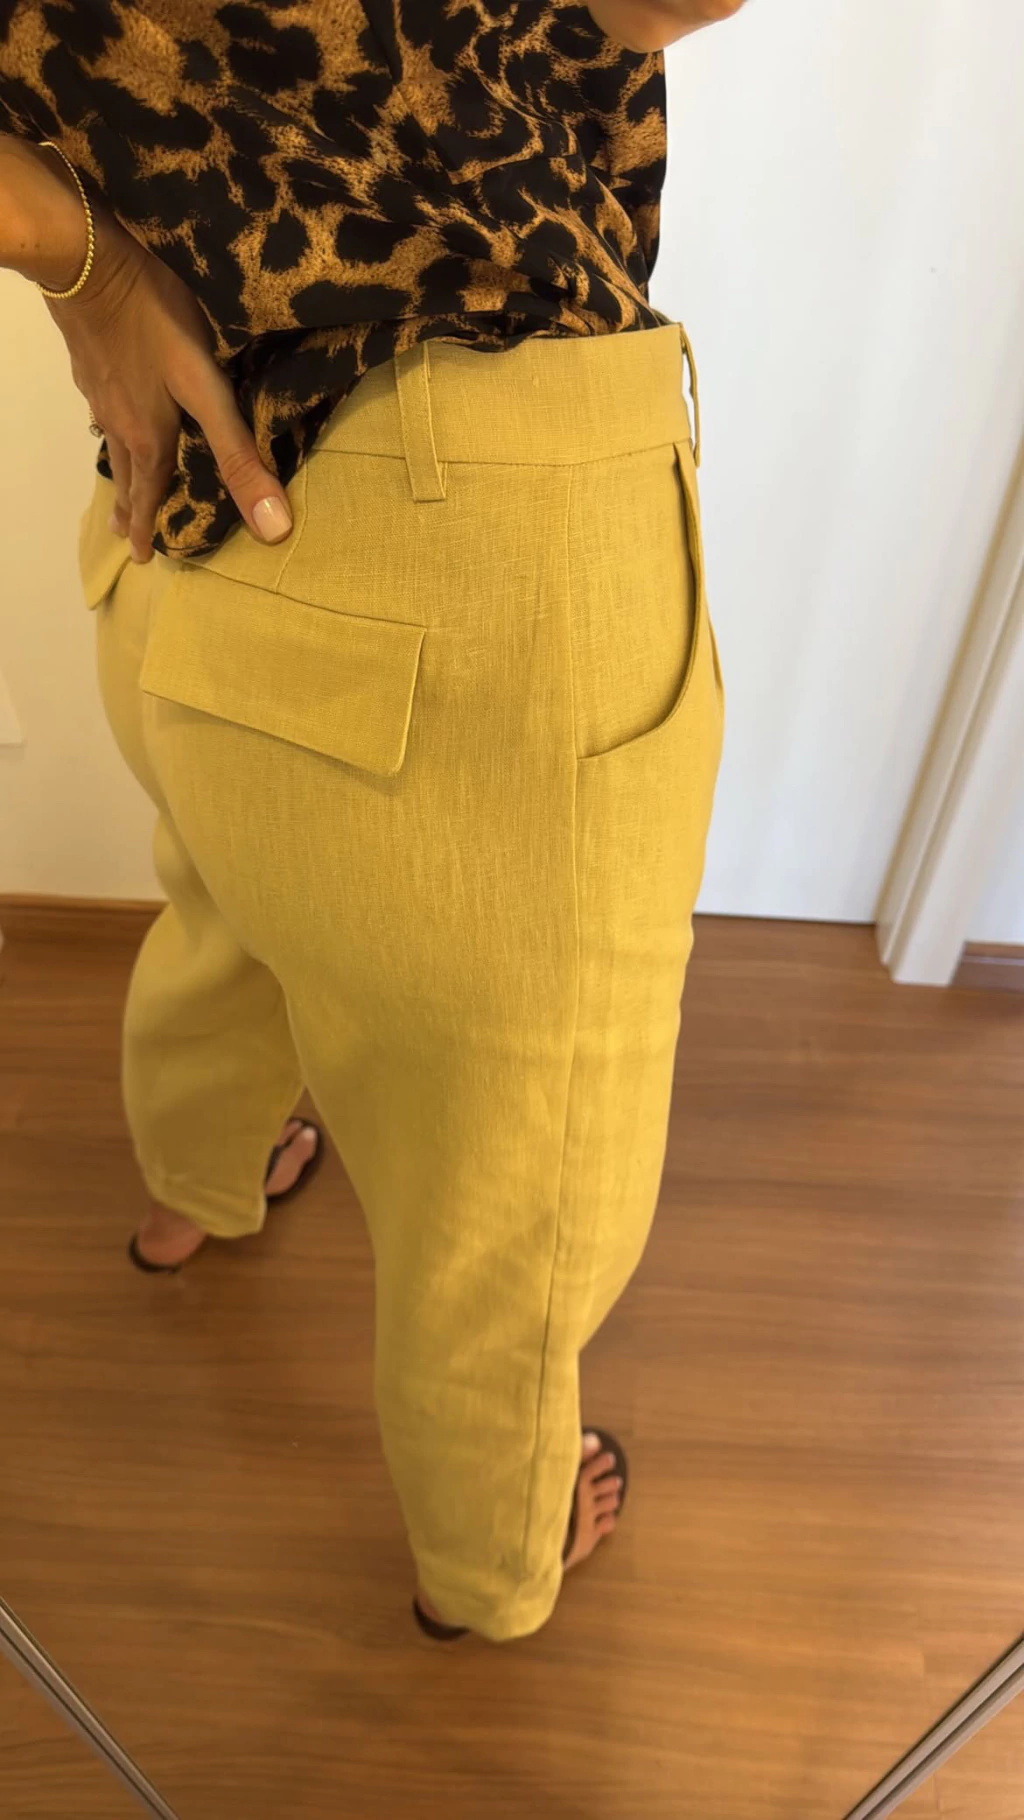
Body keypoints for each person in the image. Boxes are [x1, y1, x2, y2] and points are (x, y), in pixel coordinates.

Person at [0, 0, 742, 1643]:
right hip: (472, 541)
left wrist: (87, 274)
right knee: (512, 1180)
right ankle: (492, 1566)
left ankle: (194, 1189)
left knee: (233, 896)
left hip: (180, 484)